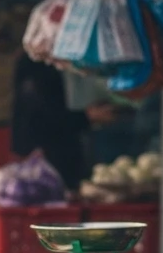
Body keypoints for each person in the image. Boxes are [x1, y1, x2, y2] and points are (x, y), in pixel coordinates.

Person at [10, 55, 117, 190]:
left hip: (66, 147)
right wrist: (86, 116)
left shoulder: (67, 63)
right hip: (48, 152)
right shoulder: (37, 66)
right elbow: (43, 115)